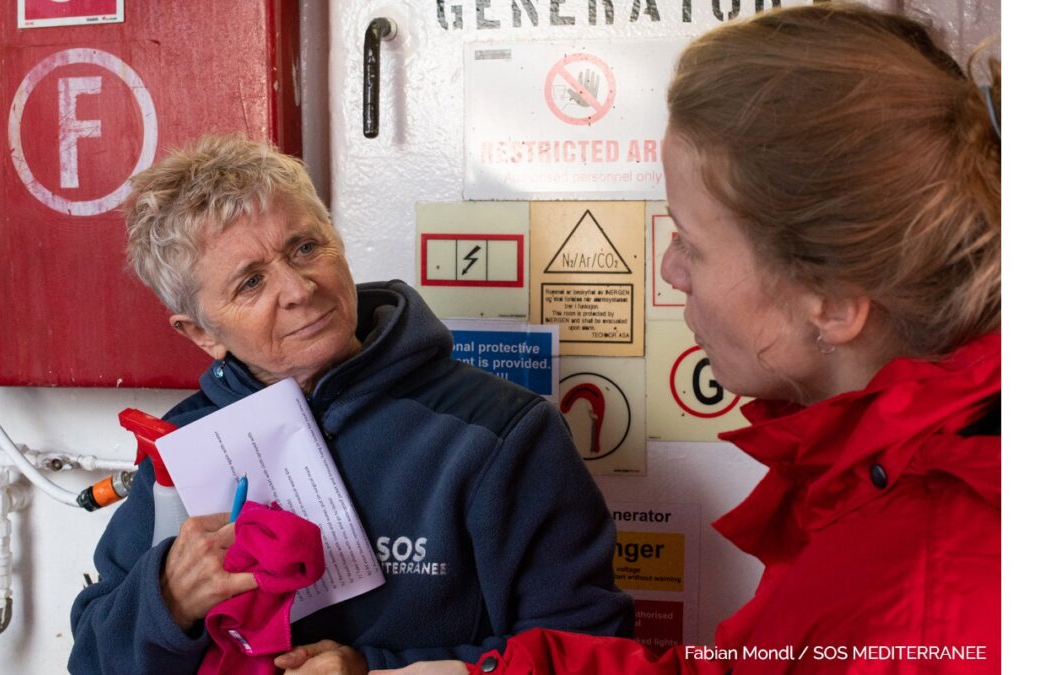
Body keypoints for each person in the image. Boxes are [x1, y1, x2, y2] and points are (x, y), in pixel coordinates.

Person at [389, 4, 1001, 674]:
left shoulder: (925, 596)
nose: (669, 267)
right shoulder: (886, 476)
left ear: (832, 303)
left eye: (693, 241)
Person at [68, 134, 634, 674]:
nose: (298, 289)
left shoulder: (499, 432)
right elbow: (92, 659)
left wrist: (378, 671)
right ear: (200, 333)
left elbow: (590, 652)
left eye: (306, 247)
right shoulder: (185, 443)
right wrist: (168, 599)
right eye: (250, 283)